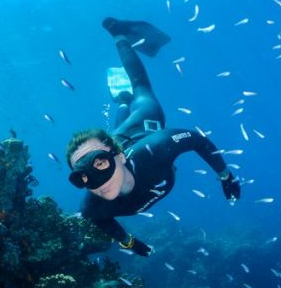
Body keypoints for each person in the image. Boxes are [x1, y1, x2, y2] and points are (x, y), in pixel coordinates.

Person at [66, 17, 241, 256]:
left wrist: (225, 176)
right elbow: (101, 221)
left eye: (99, 163)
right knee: (118, 126)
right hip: (119, 139)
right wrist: (129, 242)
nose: (97, 181)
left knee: (141, 87)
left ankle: (119, 35)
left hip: (142, 125)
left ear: (119, 156)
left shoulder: (156, 148)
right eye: (84, 176)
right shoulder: (92, 207)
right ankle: (122, 101)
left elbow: (197, 139)